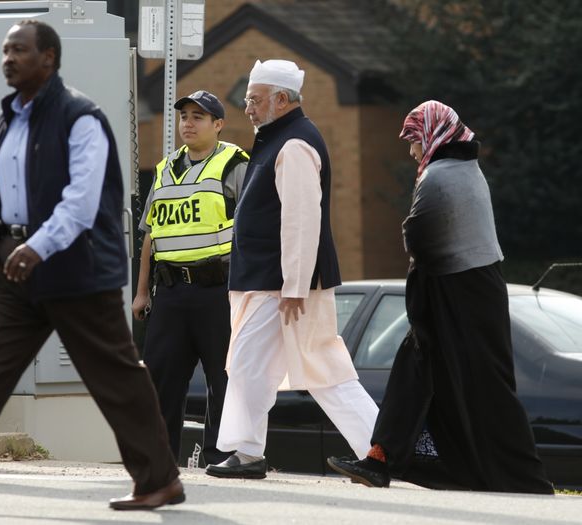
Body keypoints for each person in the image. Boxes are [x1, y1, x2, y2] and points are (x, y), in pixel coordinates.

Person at [0, 20, 185, 511]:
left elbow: (83, 200)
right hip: (18, 269)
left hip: (76, 270)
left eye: (19, 50)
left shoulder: (80, 117)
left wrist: (39, 246)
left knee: (115, 376)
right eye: (5, 51)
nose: (8, 59)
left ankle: (159, 479)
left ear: (48, 58)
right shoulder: (9, 119)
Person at [327, 101, 554, 494]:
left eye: (415, 141)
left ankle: (523, 479)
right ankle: (380, 459)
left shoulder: (440, 175)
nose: (412, 151)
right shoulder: (465, 169)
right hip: (464, 292)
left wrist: (411, 239)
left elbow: (417, 234)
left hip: (460, 294)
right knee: (421, 373)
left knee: (481, 386)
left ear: (433, 136)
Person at [205, 59, 379, 479]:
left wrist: (295, 285)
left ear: (280, 100)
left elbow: (302, 219)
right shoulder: (278, 138)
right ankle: (381, 451)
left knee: (284, 366)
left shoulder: (295, 142)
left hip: (281, 285)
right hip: (272, 281)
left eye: (254, 99)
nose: (247, 107)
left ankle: (386, 451)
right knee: (296, 368)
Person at [132, 90, 248, 467]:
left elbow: (253, 227)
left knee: (223, 380)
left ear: (218, 124)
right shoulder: (165, 168)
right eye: (184, 116)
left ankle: (220, 456)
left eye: (199, 117)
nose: (189, 123)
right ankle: (158, 458)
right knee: (160, 380)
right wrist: (140, 292)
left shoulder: (234, 164)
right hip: (170, 292)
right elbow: (151, 234)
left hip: (218, 291)